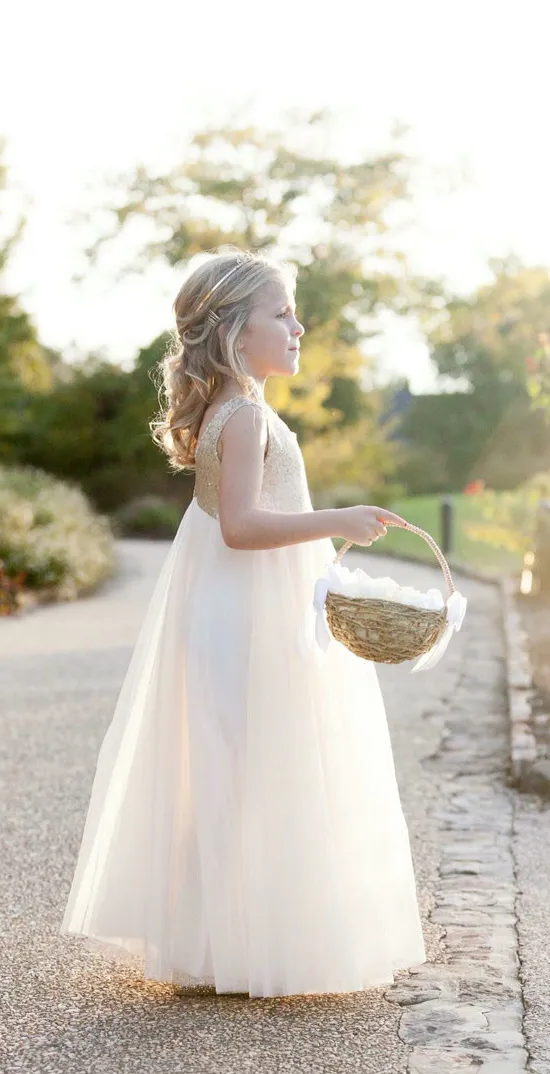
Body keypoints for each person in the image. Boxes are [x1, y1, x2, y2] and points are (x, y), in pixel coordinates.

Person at [60, 248, 426, 997]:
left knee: (241, 764)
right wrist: (341, 520)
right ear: (232, 329)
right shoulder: (247, 414)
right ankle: (247, 944)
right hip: (245, 611)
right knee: (257, 764)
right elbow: (241, 525)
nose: (299, 325)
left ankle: (225, 940)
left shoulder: (237, 409)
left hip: (238, 605)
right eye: (282, 312)